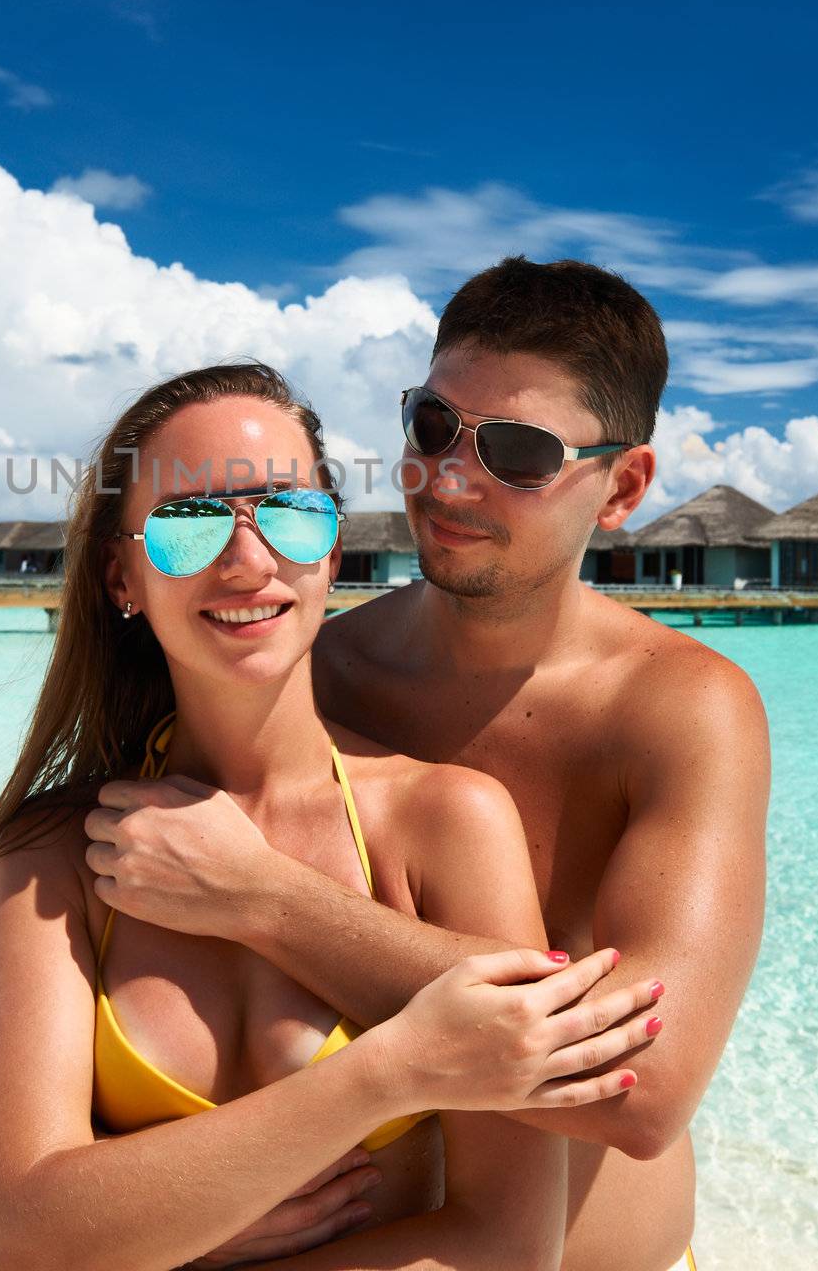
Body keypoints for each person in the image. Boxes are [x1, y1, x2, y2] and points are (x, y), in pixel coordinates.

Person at [84, 258, 771, 1271]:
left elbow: (649, 1084)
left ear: (621, 486)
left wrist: (265, 898)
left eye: (520, 453)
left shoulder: (677, 708)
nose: (450, 478)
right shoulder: (310, 665)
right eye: (434, 428)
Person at [0, 360, 669, 1271]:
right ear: (121, 577)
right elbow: (22, 1238)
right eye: (188, 522)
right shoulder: (57, 854)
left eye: (290, 514)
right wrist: (391, 1071)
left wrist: (182, 1244)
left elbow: (507, 1246)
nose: (250, 559)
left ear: (332, 551)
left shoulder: (445, 823)